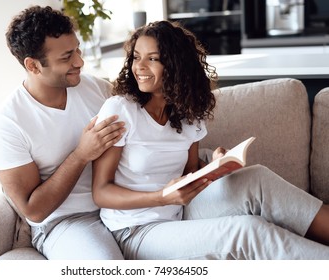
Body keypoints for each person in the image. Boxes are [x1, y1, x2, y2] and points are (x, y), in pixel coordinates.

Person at [92, 20, 329, 259]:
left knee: (256, 178)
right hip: (135, 231)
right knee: (246, 231)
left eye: (152, 59)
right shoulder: (121, 110)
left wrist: (215, 168)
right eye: (136, 57)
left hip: (180, 211)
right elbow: (101, 192)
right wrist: (160, 198)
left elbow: (190, 172)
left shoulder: (188, 114)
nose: (139, 67)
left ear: (175, 65)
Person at [0, 6, 126, 259]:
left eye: (77, 50)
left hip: (123, 203)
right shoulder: (8, 125)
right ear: (33, 65)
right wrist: (81, 155)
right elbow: (34, 211)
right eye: (66, 57)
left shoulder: (96, 88)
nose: (80, 62)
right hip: (67, 222)